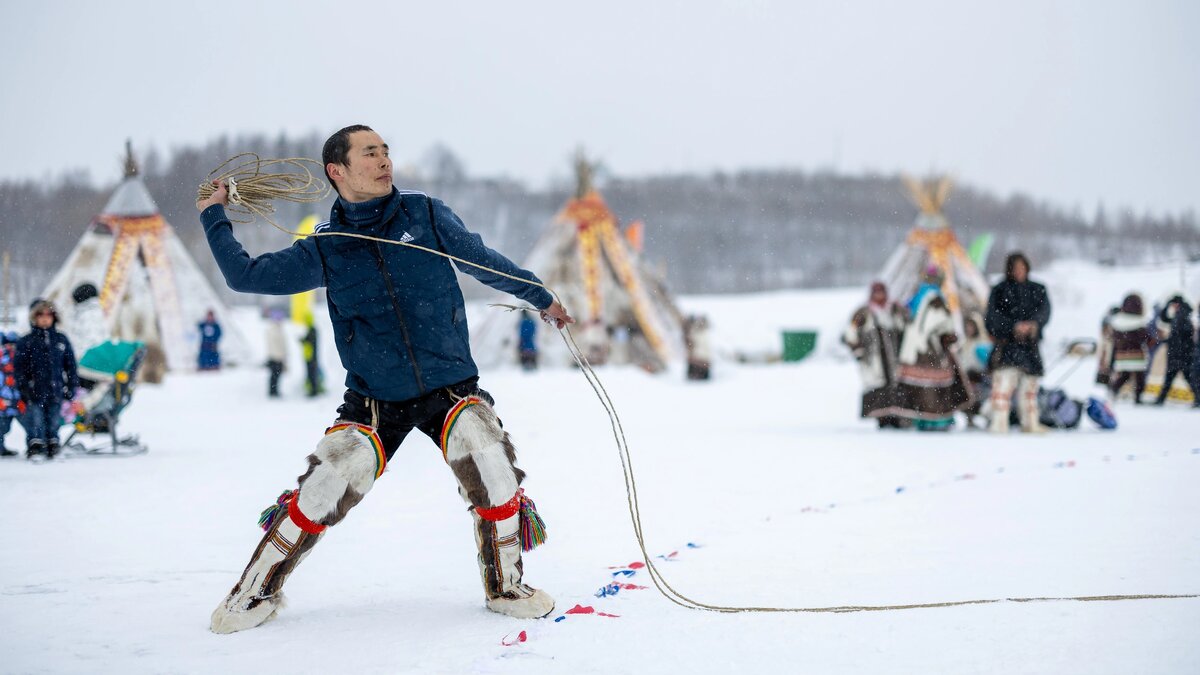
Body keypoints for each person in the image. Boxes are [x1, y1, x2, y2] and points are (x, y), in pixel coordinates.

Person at [197, 124, 574, 634]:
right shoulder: (327, 246)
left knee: (487, 452)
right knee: (328, 480)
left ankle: (507, 586)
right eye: (369, 153)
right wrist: (212, 215)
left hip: (449, 386)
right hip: (374, 399)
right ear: (338, 170)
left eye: (385, 151)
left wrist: (541, 297)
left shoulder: (426, 215)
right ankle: (254, 593)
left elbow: (483, 262)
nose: (383, 161)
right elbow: (246, 275)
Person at [894, 268, 971, 431]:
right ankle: (936, 419)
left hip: (915, 349)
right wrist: (948, 335)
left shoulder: (918, 296)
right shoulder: (934, 298)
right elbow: (937, 324)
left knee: (921, 385)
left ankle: (923, 419)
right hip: (930, 349)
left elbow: (910, 321)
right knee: (935, 384)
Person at [984, 252, 1051, 433]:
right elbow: (991, 318)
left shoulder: (1037, 290)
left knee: (1029, 392)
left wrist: (1032, 325)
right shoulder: (999, 290)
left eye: (1022, 267)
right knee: (1002, 390)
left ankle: (1030, 424)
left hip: (1030, 348)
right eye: (1015, 268)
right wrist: (1013, 327)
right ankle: (999, 426)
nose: (1019, 271)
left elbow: (1044, 313)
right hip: (1006, 347)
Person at [14, 300, 78, 459]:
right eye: (40, 315)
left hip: (56, 389)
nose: (44, 318)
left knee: (54, 420)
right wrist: (24, 387)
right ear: (33, 317)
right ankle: (36, 446)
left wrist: (71, 386)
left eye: (48, 315)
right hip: (34, 390)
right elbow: (20, 368)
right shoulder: (27, 341)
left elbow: (70, 366)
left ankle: (53, 444)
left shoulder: (61, 340)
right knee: (36, 420)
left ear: (54, 317)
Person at [841, 281, 907, 428]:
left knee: (894, 386)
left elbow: (904, 327)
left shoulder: (893, 309)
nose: (880, 296)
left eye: (882, 293)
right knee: (878, 386)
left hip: (893, 356)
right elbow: (849, 333)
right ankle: (881, 417)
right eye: (877, 293)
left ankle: (895, 416)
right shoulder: (863, 313)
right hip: (873, 358)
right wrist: (857, 350)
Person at [1107, 294, 1152, 403]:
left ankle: (1114, 389)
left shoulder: (1117, 322)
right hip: (1136, 353)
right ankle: (1138, 397)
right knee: (1139, 377)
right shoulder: (1139, 323)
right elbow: (1146, 338)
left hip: (1122, 354)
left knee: (1125, 376)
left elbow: (1114, 338)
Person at [1152, 294, 1195, 405]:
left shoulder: (1182, 316)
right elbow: (1164, 318)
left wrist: (1171, 341)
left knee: (1185, 377)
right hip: (1179, 353)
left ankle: (1161, 399)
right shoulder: (1181, 315)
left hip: (1181, 353)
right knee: (1177, 378)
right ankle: (1161, 399)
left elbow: (1181, 335)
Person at [959, 313, 993, 429]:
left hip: (980, 379)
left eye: (971, 326)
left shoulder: (983, 343)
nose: (969, 329)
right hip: (966, 379)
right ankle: (970, 417)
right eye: (967, 326)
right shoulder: (964, 343)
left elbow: (988, 364)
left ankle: (989, 418)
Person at [0, 332, 25, 456]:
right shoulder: (2, 357)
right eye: (9, 344)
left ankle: (36, 445)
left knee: (32, 425)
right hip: (4, 400)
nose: (11, 347)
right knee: (2, 427)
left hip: (19, 399)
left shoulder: (21, 355)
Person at [264, 311, 287, 398]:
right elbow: (281, 345)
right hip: (277, 357)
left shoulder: (272, 330)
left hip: (273, 357)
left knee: (275, 376)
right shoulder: (276, 330)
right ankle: (273, 391)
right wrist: (283, 356)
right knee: (275, 376)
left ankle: (273, 391)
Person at [683, 314, 713, 381]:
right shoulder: (696, 331)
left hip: (699, 358)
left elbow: (690, 342)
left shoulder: (694, 331)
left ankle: (697, 374)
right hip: (701, 358)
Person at [300, 316, 323, 397]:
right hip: (309, 356)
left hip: (311, 357)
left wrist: (303, 340)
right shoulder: (311, 330)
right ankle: (313, 389)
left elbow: (309, 341)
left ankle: (314, 390)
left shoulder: (312, 330)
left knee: (312, 374)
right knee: (311, 374)